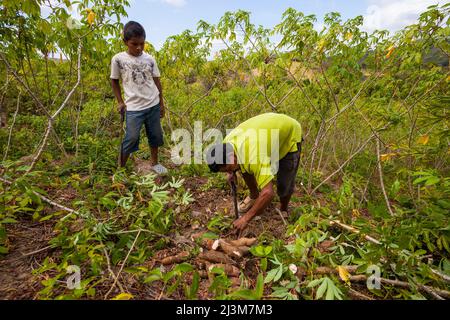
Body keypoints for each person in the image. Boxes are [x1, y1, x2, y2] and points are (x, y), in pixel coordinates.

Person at [206, 113, 302, 231]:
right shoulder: (227, 145)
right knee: (242, 166)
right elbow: (238, 165)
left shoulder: (254, 155)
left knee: (284, 181)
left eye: (227, 168)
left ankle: (283, 209)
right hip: (267, 134)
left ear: (231, 156)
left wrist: (246, 218)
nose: (228, 171)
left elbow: (268, 193)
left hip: (289, 134)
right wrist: (231, 172)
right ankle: (254, 196)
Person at [110, 21, 167, 174]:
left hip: (152, 104)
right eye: (134, 44)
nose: (139, 48)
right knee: (131, 138)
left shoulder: (150, 59)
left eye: (142, 43)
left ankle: (155, 163)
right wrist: (120, 101)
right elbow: (114, 80)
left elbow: (157, 81)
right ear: (125, 42)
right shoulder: (118, 60)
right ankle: (120, 169)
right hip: (133, 108)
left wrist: (161, 103)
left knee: (155, 136)